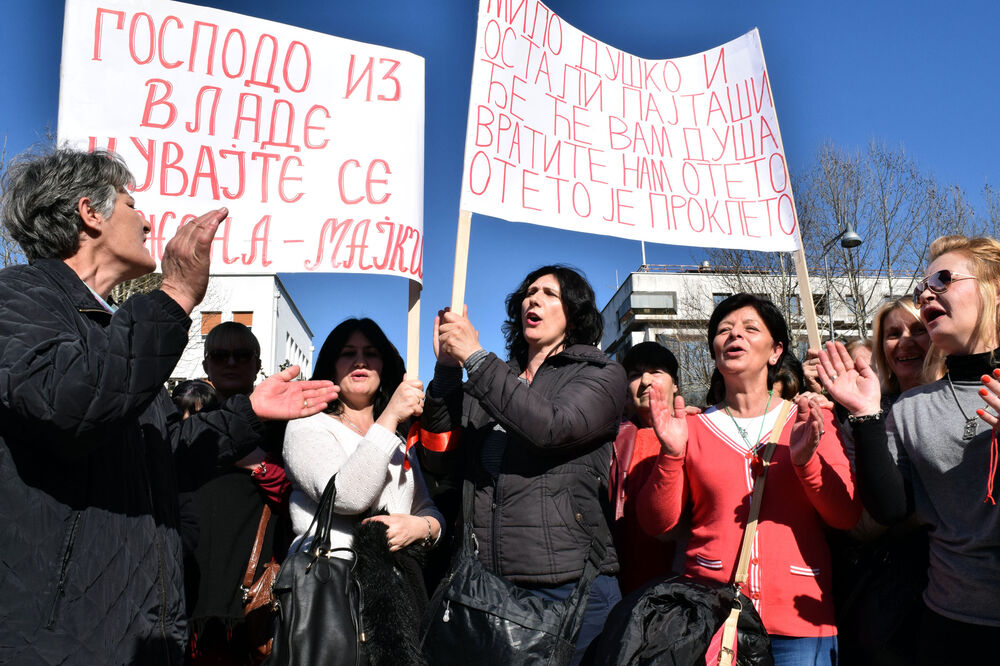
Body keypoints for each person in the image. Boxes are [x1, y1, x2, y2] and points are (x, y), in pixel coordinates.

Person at [0, 146, 337, 665]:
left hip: (138, 628)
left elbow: (160, 454)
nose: (148, 220)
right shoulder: (16, 299)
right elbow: (68, 404)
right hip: (59, 635)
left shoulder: (111, 327)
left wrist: (247, 412)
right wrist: (176, 294)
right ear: (90, 213)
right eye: (132, 204)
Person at [637, 293, 860, 665]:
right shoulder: (690, 427)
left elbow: (846, 515)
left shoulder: (812, 418)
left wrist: (806, 463)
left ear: (775, 351)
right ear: (713, 351)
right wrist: (672, 454)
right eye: (724, 330)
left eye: (749, 328)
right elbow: (656, 523)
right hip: (710, 621)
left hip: (800, 623)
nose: (734, 335)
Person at [426, 265, 626, 664]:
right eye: (529, 293)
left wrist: (476, 358)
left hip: (570, 591)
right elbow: (439, 453)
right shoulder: (493, 381)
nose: (533, 299)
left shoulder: (601, 375)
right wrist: (448, 369)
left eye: (550, 294)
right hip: (488, 589)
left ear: (576, 312)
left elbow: (551, 427)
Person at [819, 235, 1000, 664]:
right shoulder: (909, 408)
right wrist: (865, 414)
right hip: (951, 626)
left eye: (943, 279)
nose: (925, 293)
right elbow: (890, 509)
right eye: (922, 286)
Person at [283, 318, 443, 661]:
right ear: (330, 365)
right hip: (332, 594)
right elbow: (346, 496)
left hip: (401, 599)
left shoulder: (400, 441)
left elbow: (427, 507)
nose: (360, 361)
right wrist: (389, 418)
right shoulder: (307, 426)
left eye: (371, 353)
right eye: (348, 353)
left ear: (384, 365)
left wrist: (422, 527)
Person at [828, 298, 939, 665]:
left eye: (917, 330)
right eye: (892, 334)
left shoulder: (970, 401)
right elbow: (858, 512)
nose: (904, 341)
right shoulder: (863, 417)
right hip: (891, 593)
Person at [187, 322, 294, 665]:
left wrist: (259, 466)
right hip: (193, 591)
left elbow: (300, 502)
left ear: (256, 363)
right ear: (206, 366)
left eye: (241, 355)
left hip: (253, 593)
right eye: (220, 355)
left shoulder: (284, 428)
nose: (231, 362)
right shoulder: (190, 431)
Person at [610, 341, 683, 595]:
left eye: (656, 372)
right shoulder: (613, 440)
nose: (645, 381)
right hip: (626, 586)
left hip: (687, 585)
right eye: (635, 375)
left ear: (675, 383)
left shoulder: (699, 429)